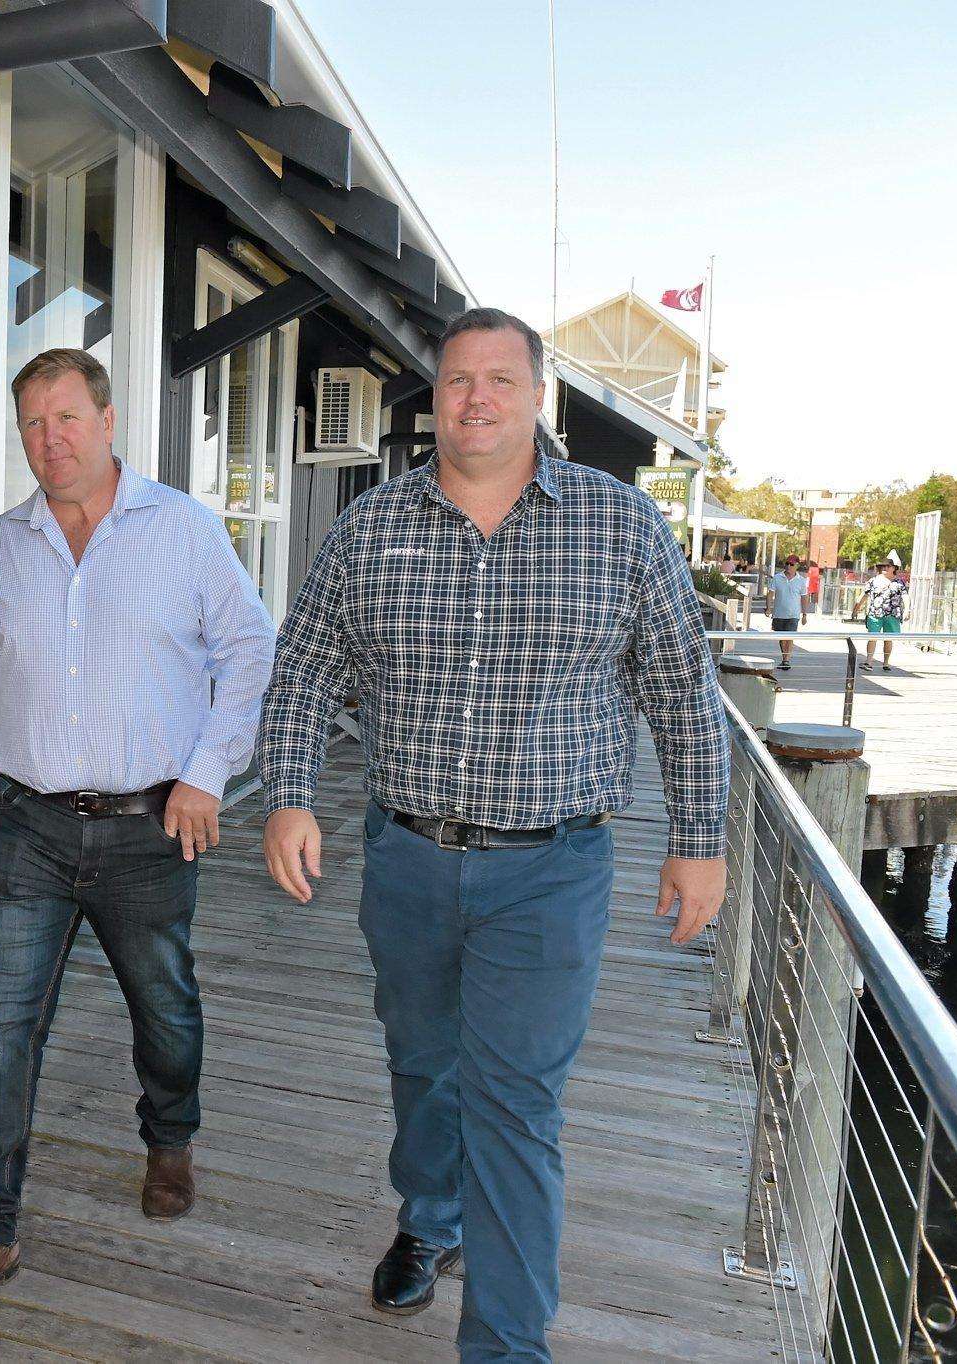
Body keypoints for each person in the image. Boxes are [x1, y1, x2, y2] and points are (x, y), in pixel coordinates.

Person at [255, 308, 728, 1362]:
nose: (474, 397)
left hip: (549, 869)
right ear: (433, 396)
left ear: (535, 395)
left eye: (498, 379)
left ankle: (506, 1343)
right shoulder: (369, 526)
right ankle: (430, 1215)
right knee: (422, 1063)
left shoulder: (618, 526)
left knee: (515, 1105)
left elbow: (682, 695)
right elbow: (303, 670)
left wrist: (699, 837)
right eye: (456, 378)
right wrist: (288, 791)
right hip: (408, 858)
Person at [0, 347, 276, 1322]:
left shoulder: (180, 532)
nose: (50, 439)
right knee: (2, 1021)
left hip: (147, 826)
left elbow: (249, 650)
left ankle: (170, 1130)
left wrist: (207, 773)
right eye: (33, 422)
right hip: (26, 823)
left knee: (163, 1008)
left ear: (108, 419)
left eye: (67, 416)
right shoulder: (1, 544)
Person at [860, 558, 906, 670]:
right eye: (883, 566)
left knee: (888, 638)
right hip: (875, 613)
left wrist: (908, 610)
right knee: (872, 637)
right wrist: (857, 607)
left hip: (892, 614)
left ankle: (885, 663)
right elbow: (864, 595)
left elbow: (905, 596)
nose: (885, 568)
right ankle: (869, 662)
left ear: (894, 568)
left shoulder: (899, 583)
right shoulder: (873, 580)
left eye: (888, 566)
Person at [767, 557, 808, 669]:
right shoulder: (777, 578)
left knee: (790, 635)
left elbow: (804, 598)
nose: (788, 566)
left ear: (797, 566)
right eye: (787, 564)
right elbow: (770, 593)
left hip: (794, 614)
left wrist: (804, 614)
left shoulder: (801, 581)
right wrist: (768, 608)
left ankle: (786, 660)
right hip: (778, 613)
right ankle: (784, 657)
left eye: (791, 564)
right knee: (782, 637)